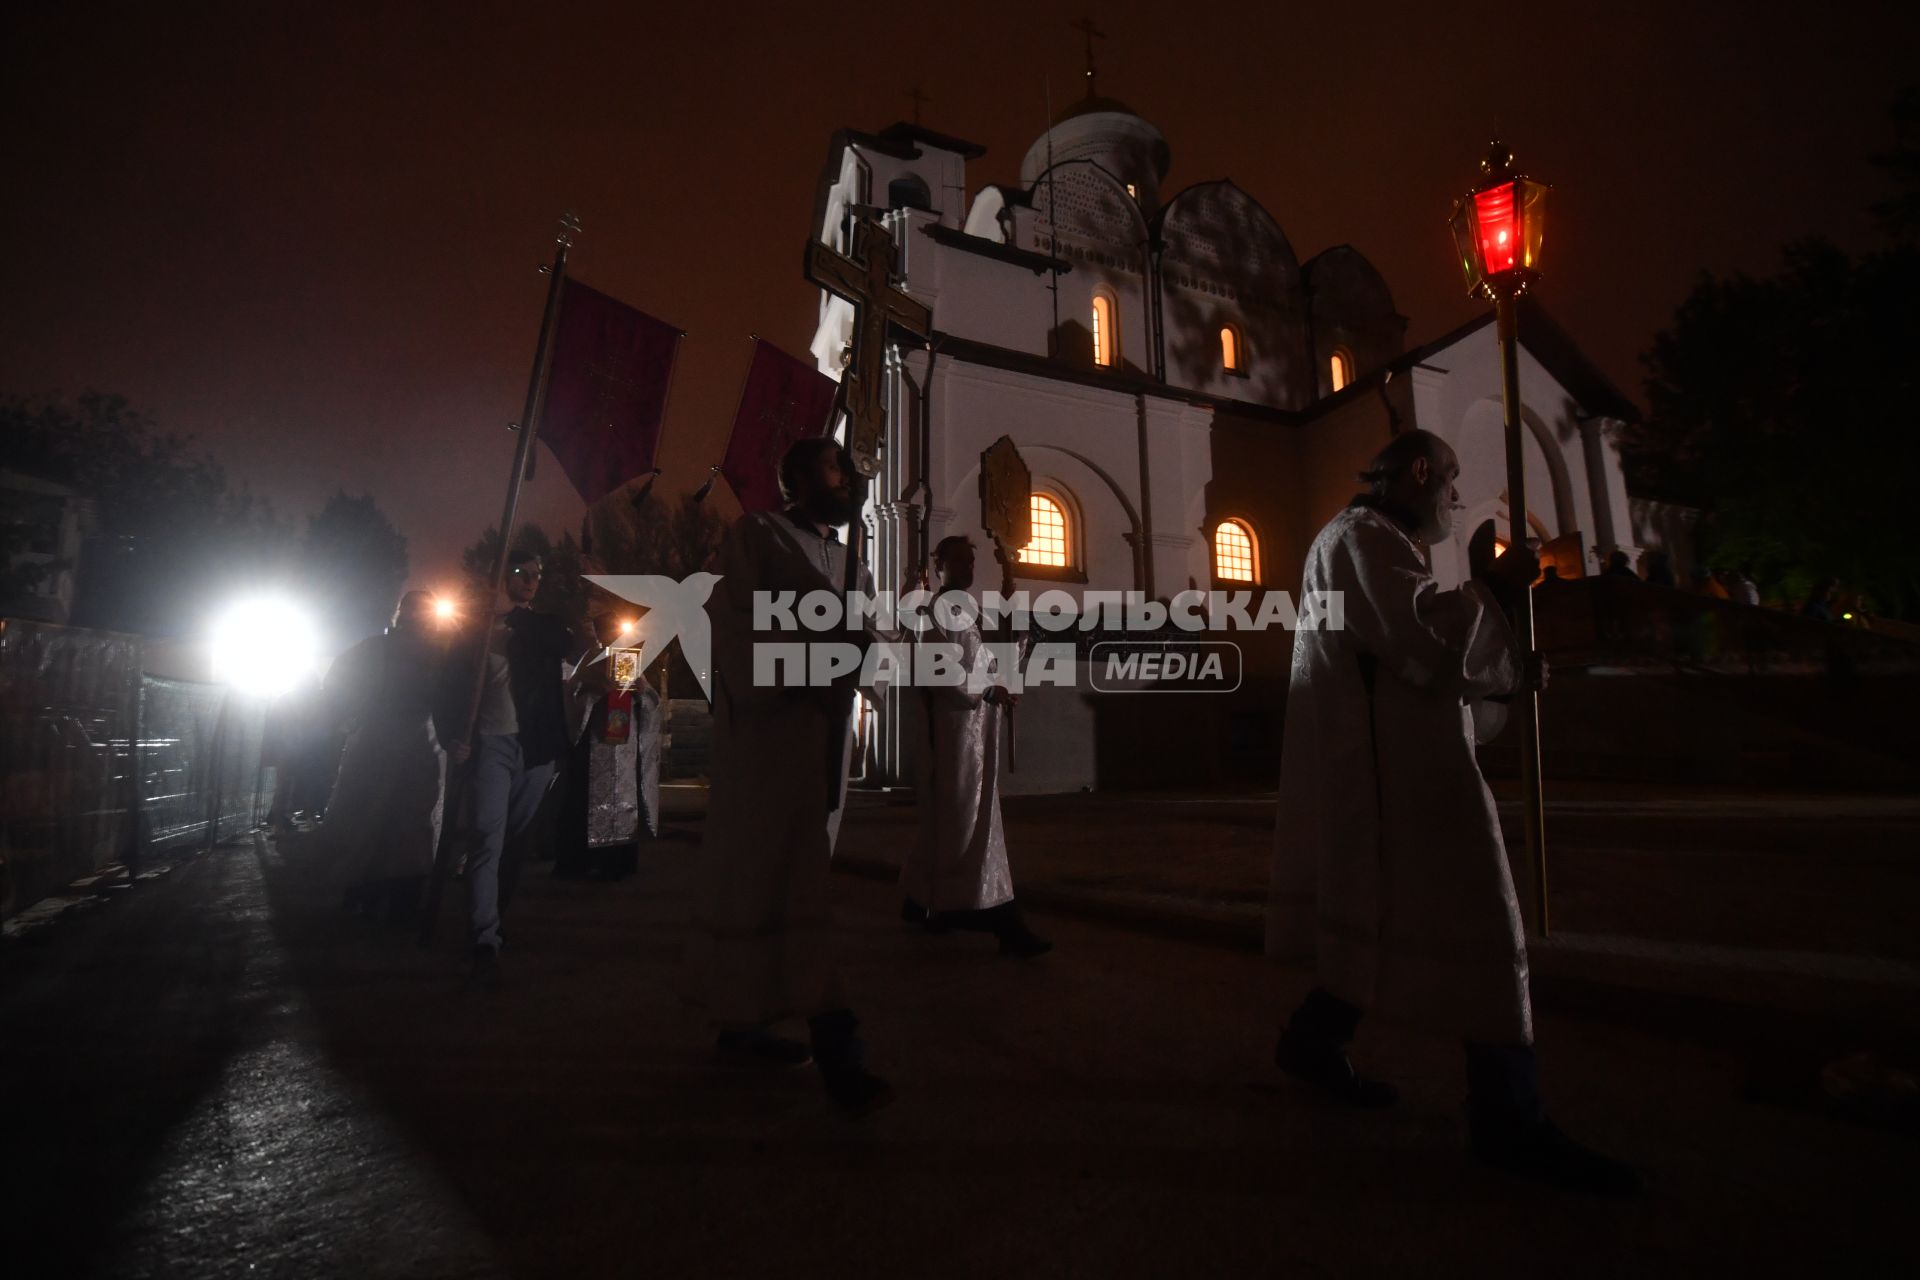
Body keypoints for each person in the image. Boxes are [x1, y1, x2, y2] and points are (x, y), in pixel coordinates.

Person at [1266, 429, 1641, 1196]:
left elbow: (1420, 663)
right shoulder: (1361, 536)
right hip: (1397, 783)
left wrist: (1500, 672)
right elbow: (1423, 641)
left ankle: (1314, 1041)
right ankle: (1509, 1119)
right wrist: (1497, 595)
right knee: (1480, 919)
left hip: (1389, 769)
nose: (1456, 498)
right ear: (1418, 471)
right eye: (1453, 481)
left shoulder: (1361, 540)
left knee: (1380, 914)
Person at [689, 437, 892, 1114]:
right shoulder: (759, 534)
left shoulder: (846, 557)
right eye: (836, 468)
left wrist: (867, 649)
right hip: (772, 737)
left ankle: (743, 1019)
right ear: (797, 476)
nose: (848, 478)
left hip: (822, 737)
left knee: (787, 880)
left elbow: (859, 636)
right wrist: (822, 654)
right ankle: (838, 1040)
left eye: (848, 470)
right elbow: (736, 626)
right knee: (780, 875)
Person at [898, 535, 1050, 957]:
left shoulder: (971, 611)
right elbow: (937, 668)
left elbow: (990, 660)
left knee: (955, 818)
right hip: (951, 733)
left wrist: (1002, 681)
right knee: (966, 818)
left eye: (970, 561)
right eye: (958, 560)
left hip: (976, 732)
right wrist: (986, 692)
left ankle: (925, 901)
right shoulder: (934, 611)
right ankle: (996, 913)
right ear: (939, 563)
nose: (966, 567)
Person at [448, 550, 587, 978]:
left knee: (514, 842)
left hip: (536, 748)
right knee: (487, 838)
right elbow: (449, 688)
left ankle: (494, 917)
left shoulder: (543, 627)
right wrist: (452, 735)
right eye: (521, 573)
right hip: (491, 744)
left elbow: (566, 643)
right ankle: (483, 935)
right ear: (499, 576)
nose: (531, 580)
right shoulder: (474, 634)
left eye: (536, 575)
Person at [320, 590, 450, 923]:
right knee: (373, 818)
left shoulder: (438, 655)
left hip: (417, 747)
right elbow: (336, 688)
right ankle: (370, 892)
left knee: (405, 821)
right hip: (380, 743)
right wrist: (347, 718)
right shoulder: (374, 650)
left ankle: (393, 896)